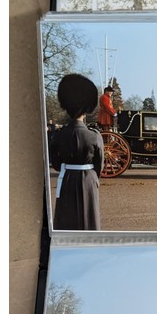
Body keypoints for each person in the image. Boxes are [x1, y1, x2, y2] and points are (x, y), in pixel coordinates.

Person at [50, 74, 104, 230]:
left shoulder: (59, 135)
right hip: (88, 179)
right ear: (87, 109)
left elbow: (56, 164)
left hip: (66, 178)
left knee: (66, 218)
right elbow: (98, 165)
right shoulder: (94, 135)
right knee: (89, 219)